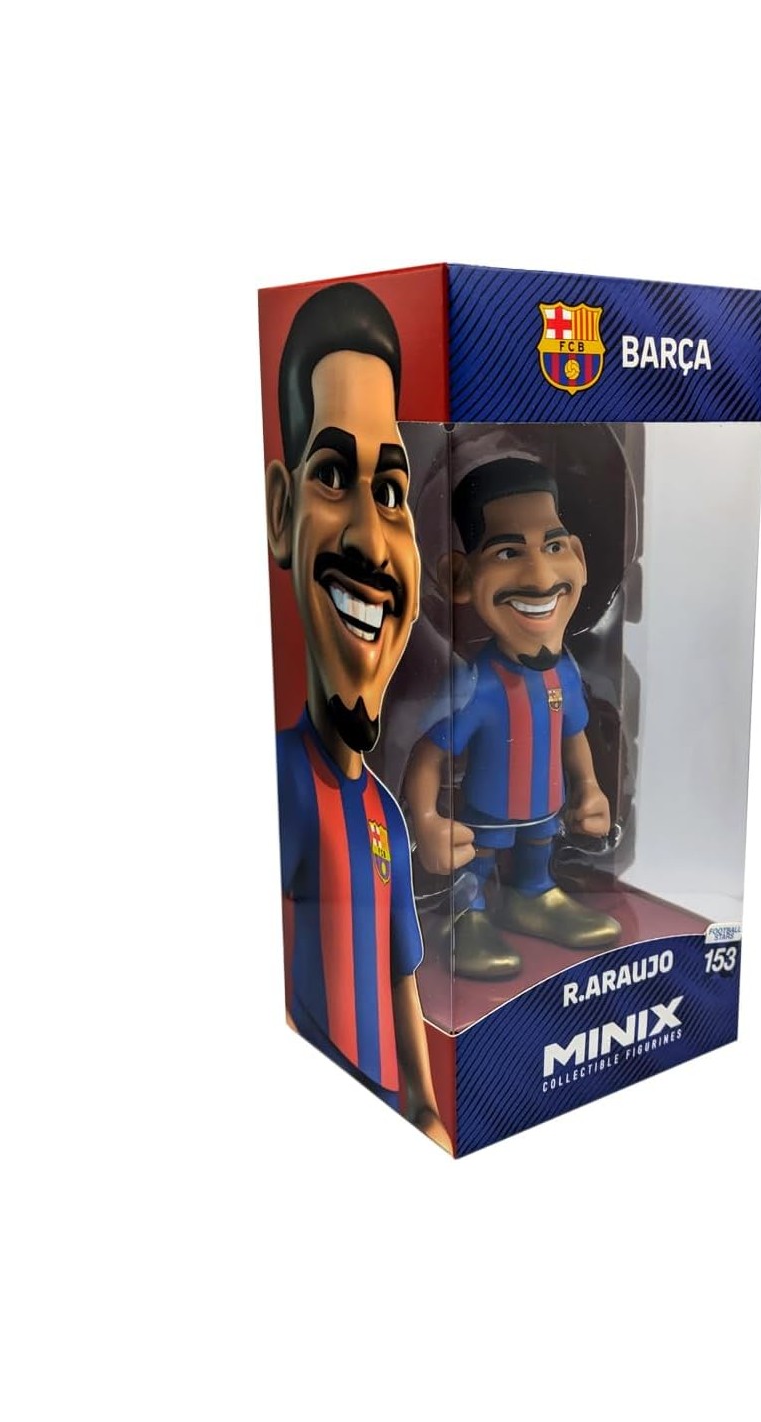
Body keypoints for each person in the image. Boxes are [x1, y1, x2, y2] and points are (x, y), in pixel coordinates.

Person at [265, 282, 450, 1150]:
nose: (373, 544)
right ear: (281, 514)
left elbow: (402, 973)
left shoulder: (386, 816)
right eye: (334, 476)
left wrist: (426, 1108)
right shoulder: (279, 780)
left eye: (393, 491)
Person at [404, 456, 621, 981]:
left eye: (554, 547)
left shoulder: (565, 673)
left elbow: (573, 735)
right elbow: (427, 754)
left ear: (579, 558)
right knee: (477, 863)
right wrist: (427, 821)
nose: (541, 577)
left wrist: (590, 788)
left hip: (547, 811)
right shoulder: (475, 686)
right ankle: (467, 916)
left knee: (537, 851)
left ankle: (532, 895)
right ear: (459, 577)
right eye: (508, 552)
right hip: (486, 816)